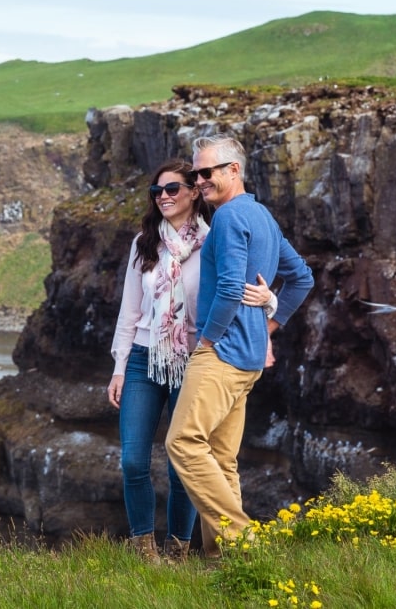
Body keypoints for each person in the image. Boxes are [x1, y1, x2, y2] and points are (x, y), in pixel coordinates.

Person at [107, 159, 276, 563]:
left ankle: (178, 551)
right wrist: (118, 366)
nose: (163, 196)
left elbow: (244, 290)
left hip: (195, 357)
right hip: (143, 360)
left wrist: (270, 303)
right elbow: (129, 312)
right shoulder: (143, 243)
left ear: (194, 192)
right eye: (156, 191)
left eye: (172, 189)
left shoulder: (215, 240)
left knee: (184, 459)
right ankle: (144, 550)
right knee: (133, 460)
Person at [165, 134, 313, 559]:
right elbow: (302, 278)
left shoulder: (229, 218)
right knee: (221, 459)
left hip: (222, 355)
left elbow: (230, 286)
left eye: (207, 172)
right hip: (248, 359)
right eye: (195, 174)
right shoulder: (262, 216)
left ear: (234, 170)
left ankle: (244, 541)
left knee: (184, 442)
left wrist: (208, 337)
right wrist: (271, 323)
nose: (199, 181)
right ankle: (224, 562)